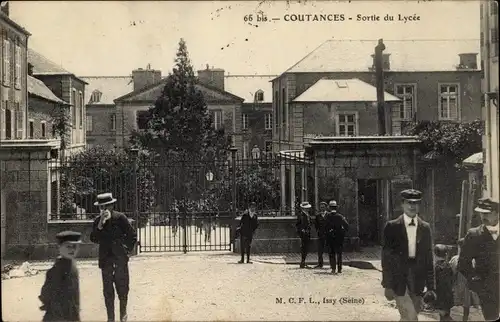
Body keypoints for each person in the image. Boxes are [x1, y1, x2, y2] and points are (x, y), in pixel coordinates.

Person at [381, 189, 436, 321]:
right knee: (411, 317)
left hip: (417, 278)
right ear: (402, 205)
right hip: (398, 277)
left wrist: (431, 286)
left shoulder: (425, 227)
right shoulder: (391, 226)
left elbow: (428, 258)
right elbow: (386, 258)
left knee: (408, 316)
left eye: (416, 203)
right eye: (409, 203)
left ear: (419, 205)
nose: (412, 206)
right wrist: (387, 284)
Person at [90, 193, 137, 322]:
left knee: (123, 288)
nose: (104, 210)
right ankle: (110, 318)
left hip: (120, 260)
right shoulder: (97, 221)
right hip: (106, 261)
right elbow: (93, 238)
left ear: (111, 206)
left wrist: (125, 251)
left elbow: (132, 235)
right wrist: (100, 225)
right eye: (101, 207)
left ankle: (123, 314)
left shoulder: (120, 218)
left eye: (106, 206)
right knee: (108, 291)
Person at [458, 197, 499, 322]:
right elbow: (463, 264)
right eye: (481, 213)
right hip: (487, 291)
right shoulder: (473, 235)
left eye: (487, 213)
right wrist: (476, 283)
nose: (483, 216)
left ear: (497, 213)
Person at [39, 231, 82, 322]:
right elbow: (46, 294)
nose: (72, 250)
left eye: (75, 246)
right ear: (59, 247)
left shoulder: (72, 265)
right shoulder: (56, 270)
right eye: (68, 246)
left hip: (72, 314)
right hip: (57, 316)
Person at [449, 238, 480, 321]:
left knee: (458, 301)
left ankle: (461, 318)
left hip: (462, 282)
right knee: (465, 303)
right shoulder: (470, 259)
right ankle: (463, 318)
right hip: (463, 282)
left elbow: (451, 271)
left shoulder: (455, 258)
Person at [324, 200, 349, 274]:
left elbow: (324, 227)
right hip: (339, 238)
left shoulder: (327, 217)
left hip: (330, 238)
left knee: (332, 253)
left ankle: (333, 269)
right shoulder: (340, 216)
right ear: (336, 208)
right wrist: (342, 233)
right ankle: (339, 269)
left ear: (329, 208)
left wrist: (328, 233)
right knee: (339, 254)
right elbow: (347, 226)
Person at [433, 244, 454, 321]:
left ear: (435, 254)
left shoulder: (435, 267)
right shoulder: (448, 266)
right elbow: (452, 280)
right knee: (446, 314)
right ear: (446, 254)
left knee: (443, 316)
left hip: (439, 295)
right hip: (448, 294)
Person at [296, 201, 312, 268]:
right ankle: (302, 262)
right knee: (304, 248)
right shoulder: (301, 215)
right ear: (303, 208)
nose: (308, 209)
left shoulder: (307, 214)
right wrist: (302, 230)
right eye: (307, 208)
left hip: (307, 233)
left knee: (306, 248)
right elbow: (298, 225)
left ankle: (303, 262)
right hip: (304, 234)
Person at [313, 201, 329, 268]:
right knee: (320, 250)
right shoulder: (317, 216)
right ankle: (320, 264)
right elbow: (316, 225)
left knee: (330, 250)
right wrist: (319, 231)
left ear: (326, 207)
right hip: (321, 235)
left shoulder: (329, 215)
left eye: (323, 207)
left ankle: (332, 264)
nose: (322, 208)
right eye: (321, 207)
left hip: (328, 235)